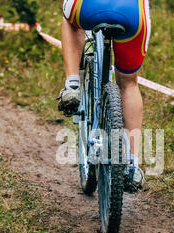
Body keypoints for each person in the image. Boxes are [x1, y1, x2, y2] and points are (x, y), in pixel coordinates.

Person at [58, 0, 151, 192]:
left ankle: (72, 84)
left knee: (69, 19)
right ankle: (133, 165)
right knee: (129, 83)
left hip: (87, 7)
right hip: (133, 14)